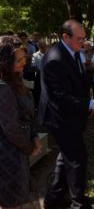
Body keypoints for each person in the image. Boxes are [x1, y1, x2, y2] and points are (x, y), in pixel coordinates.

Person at [38, 20, 94, 209]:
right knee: (77, 160)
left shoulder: (72, 52)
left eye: (84, 38)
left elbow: (79, 84)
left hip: (71, 114)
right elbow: (62, 97)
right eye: (79, 39)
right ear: (65, 36)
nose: (83, 43)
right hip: (60, 118)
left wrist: (87, 106)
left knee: (65, 158)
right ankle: (78, 203)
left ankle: (54, 199)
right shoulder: (55, 58)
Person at [0, 35, 41, 208]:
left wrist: (35, 136)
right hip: (8, 155)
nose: (24, 62)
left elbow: (27, 114)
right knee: (11, 202)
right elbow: (11, 127)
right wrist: (30, 147)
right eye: (19, 60)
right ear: (4, 62)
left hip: (18, 152)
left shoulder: (15, 79)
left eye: (25, 57)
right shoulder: (3, 87)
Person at [31, 39, 47, 109]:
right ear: (39, 47)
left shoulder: (49, 54)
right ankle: (38, 106)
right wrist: (40, 71)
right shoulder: (35, 55)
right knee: (38, 91)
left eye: (45, 46)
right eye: (42, 47)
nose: (44, 48)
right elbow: (33, 66)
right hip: (39, 76)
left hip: (48, 75)